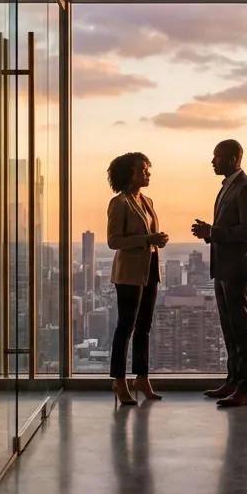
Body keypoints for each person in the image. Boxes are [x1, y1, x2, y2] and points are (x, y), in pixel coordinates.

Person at [191, 139, 247, 408]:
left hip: (238, 270)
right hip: (223, 269)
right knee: (230, 330)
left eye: (217, 156)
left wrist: (213, 232)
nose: (212, 161)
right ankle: (233, 381)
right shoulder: (229, 188)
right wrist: (211, 233)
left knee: (242, 331)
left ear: (232, 159)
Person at [105, 152, 169, 406]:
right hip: (129, 273)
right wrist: (147, 240)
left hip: (150, 268)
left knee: (144, 327)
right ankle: (119, 381)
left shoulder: (147, 201)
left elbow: (148, 234)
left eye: (147, 169)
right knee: (126, 327)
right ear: (128, 174)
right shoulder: (119, 203)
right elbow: (114, 241)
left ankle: (142, 378)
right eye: (143, 169)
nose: (148, 173)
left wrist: (156, 240)